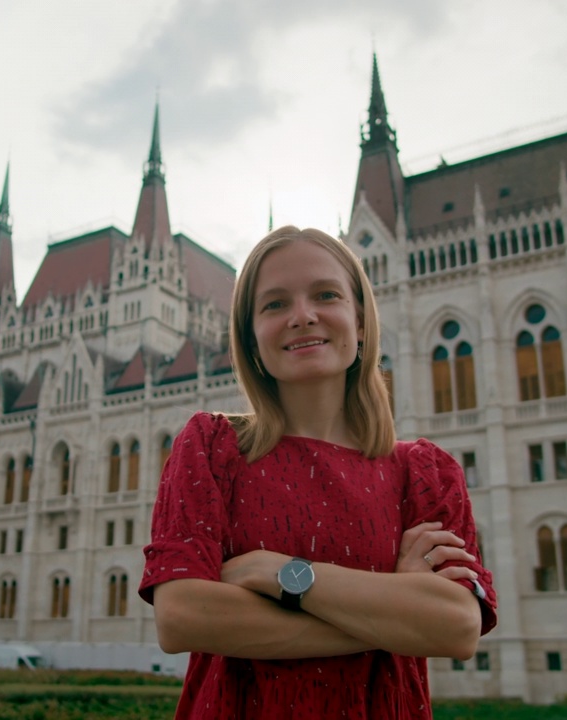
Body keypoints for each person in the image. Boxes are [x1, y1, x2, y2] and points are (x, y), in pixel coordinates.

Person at [140, 226, 496, 718]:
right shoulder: (211, 448)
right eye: (274, 304)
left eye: (325, 295)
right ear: (250, 337)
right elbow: (181, 618)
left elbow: (457, 627)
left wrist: (276, 573)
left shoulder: (426, 472)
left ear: (362, 321)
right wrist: (393, 612)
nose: (302, 316)